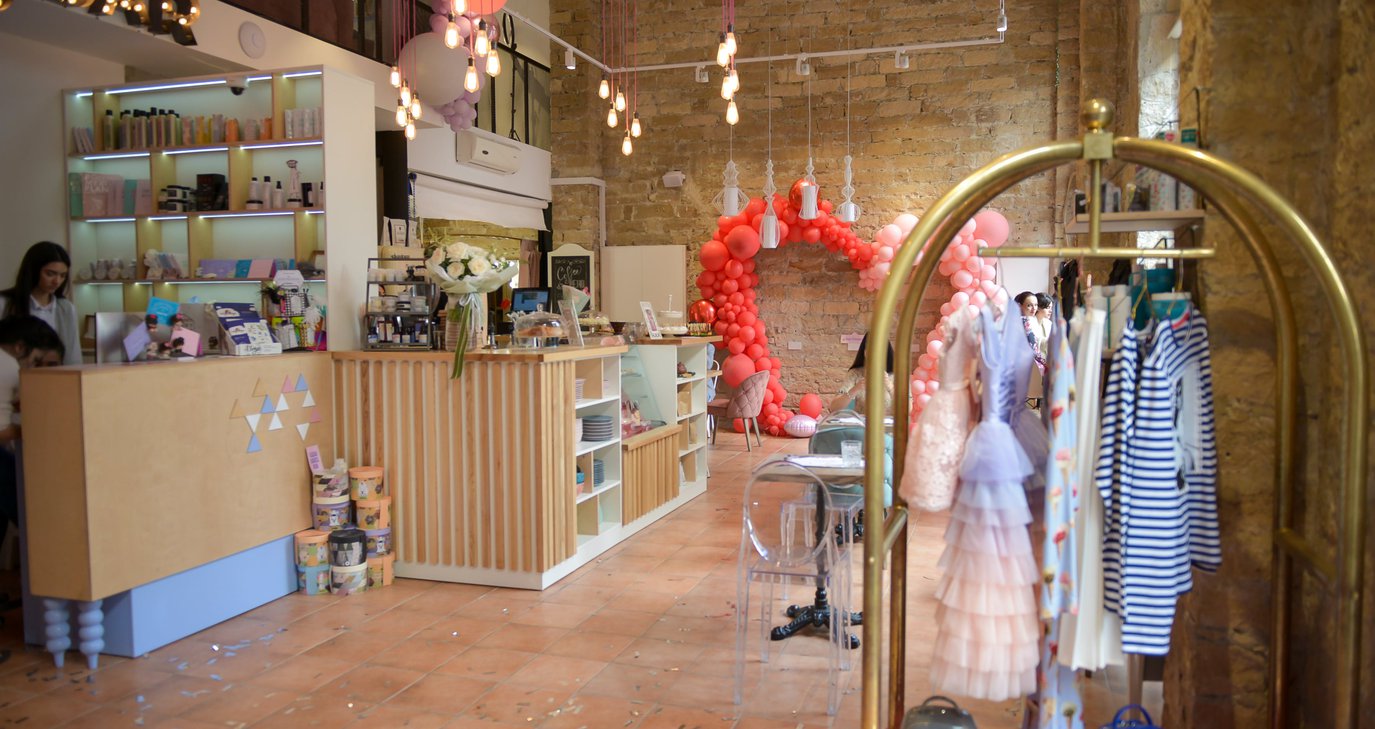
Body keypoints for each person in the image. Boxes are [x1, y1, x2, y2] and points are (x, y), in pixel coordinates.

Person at [0, 316, 66, 536]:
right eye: (36, 362)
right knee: (20, 494)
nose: (34, 370)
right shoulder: (7, 366)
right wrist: (35, 428)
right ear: (20, 347)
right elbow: (1, 432)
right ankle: (44, 538)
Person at [0, 242, 80, 365]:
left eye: (62, 275)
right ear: (33, 271)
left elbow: (73, 353)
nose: (57, 281)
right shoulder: (4, 303)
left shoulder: (66, 308)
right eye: (50, 274)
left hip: (54, 373)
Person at [829, 332, 895, 413]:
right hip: (861, 421)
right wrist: (856, 388)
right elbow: (834, 408)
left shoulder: (896, 374)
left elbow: (907, 409)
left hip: (889, 421)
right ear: (865, 352)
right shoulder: (855, 373)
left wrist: (890, 386)